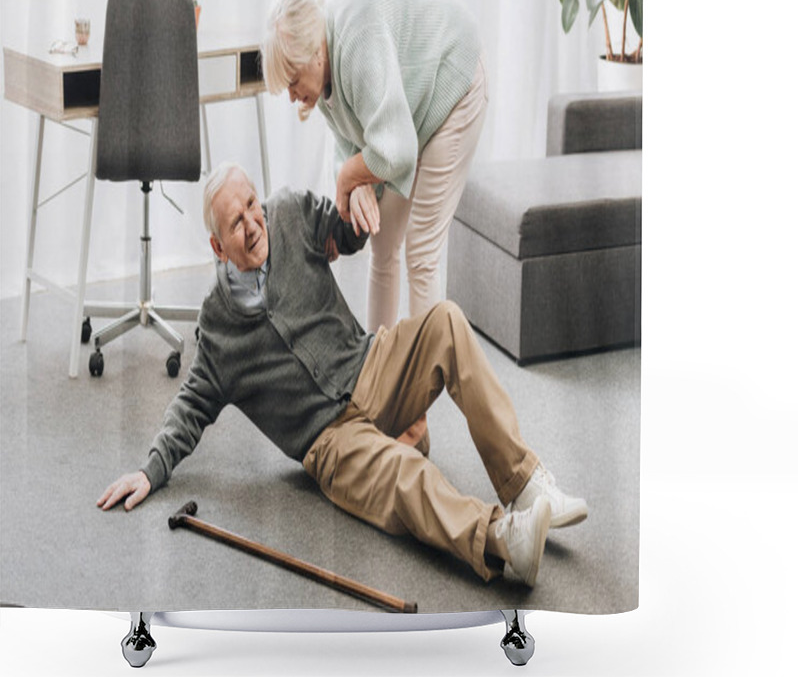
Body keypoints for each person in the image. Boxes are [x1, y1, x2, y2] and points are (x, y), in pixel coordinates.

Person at [98, 163, 587, 588]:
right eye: (236, 223)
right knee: (402, 472)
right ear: (217, 246)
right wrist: (150, 469)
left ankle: (524, 482)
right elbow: (192, 405)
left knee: (446, 323)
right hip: (330, 440)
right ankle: (502, 540)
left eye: (252, 206)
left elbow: (344, 234)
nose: (252, 224)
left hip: (371, 366)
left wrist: (360, 192)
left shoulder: (288, 211)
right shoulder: (217, 327)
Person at [262, 0, 490, 452]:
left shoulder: (356, 40)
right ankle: (382, 395)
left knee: (421, 252)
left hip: (453, 85)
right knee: (382, 247)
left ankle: (415, 417)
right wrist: (358, 184)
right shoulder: (321, 78)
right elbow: (358, 137)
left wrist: (350, 177)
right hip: (410, 114)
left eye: (293, 81)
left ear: (316, 53)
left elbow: (395, 151)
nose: (291, 95)